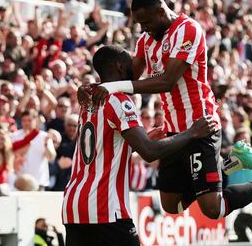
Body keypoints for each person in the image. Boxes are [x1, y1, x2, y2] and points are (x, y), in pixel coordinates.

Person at [77, 0, 252, 221]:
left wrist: (113, 88)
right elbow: (128, 78)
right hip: (173, 130)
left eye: (146, 22)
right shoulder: (146, 40)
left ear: (160, 12)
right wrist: (94, 86)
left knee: (212, 209)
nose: (143, 28)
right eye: (139, 24)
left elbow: (166, 81)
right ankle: (229, 164)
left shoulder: (188, 30)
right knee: (172, 205)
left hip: (200, 125)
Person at [62, 45, 216, 246]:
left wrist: (147, 136)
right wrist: (192, 132)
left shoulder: (88, 98)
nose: (137, 66)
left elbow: (105, 146)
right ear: (120, 66)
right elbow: (150, 153)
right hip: (104, 207)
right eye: (131, 61)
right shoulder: (119, 99)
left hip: (74, 205)